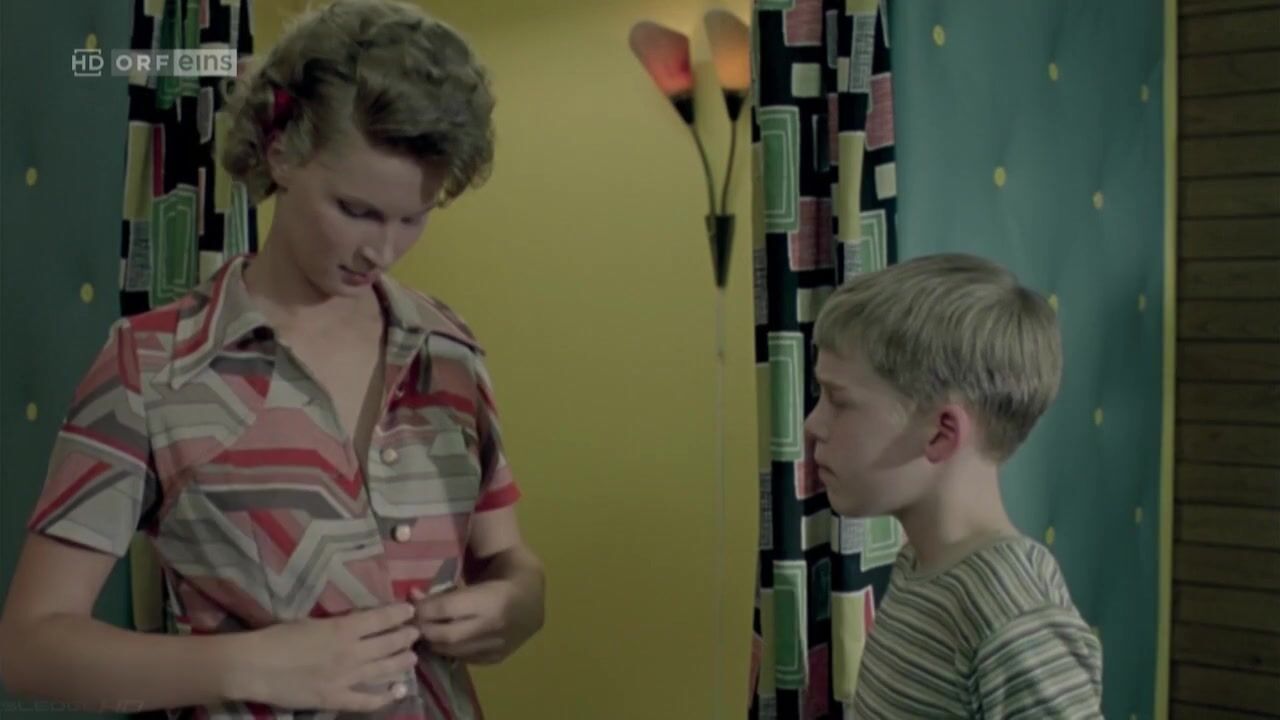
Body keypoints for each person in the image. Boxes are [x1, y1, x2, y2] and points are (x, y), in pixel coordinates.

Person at [0, 1, 544, 717]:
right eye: (355, 210)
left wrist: (518, 605)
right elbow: (31, 646)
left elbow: (510, 562)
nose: (381, 251)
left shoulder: (449, 352)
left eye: (412, 218)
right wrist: (247, 665)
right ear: (281, 151)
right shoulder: (152, 366)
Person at [805, 254, 1103, 717]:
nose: (812, 425)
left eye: (838, 401)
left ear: (941, 433)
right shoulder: (921, 565)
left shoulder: (1008, 607)